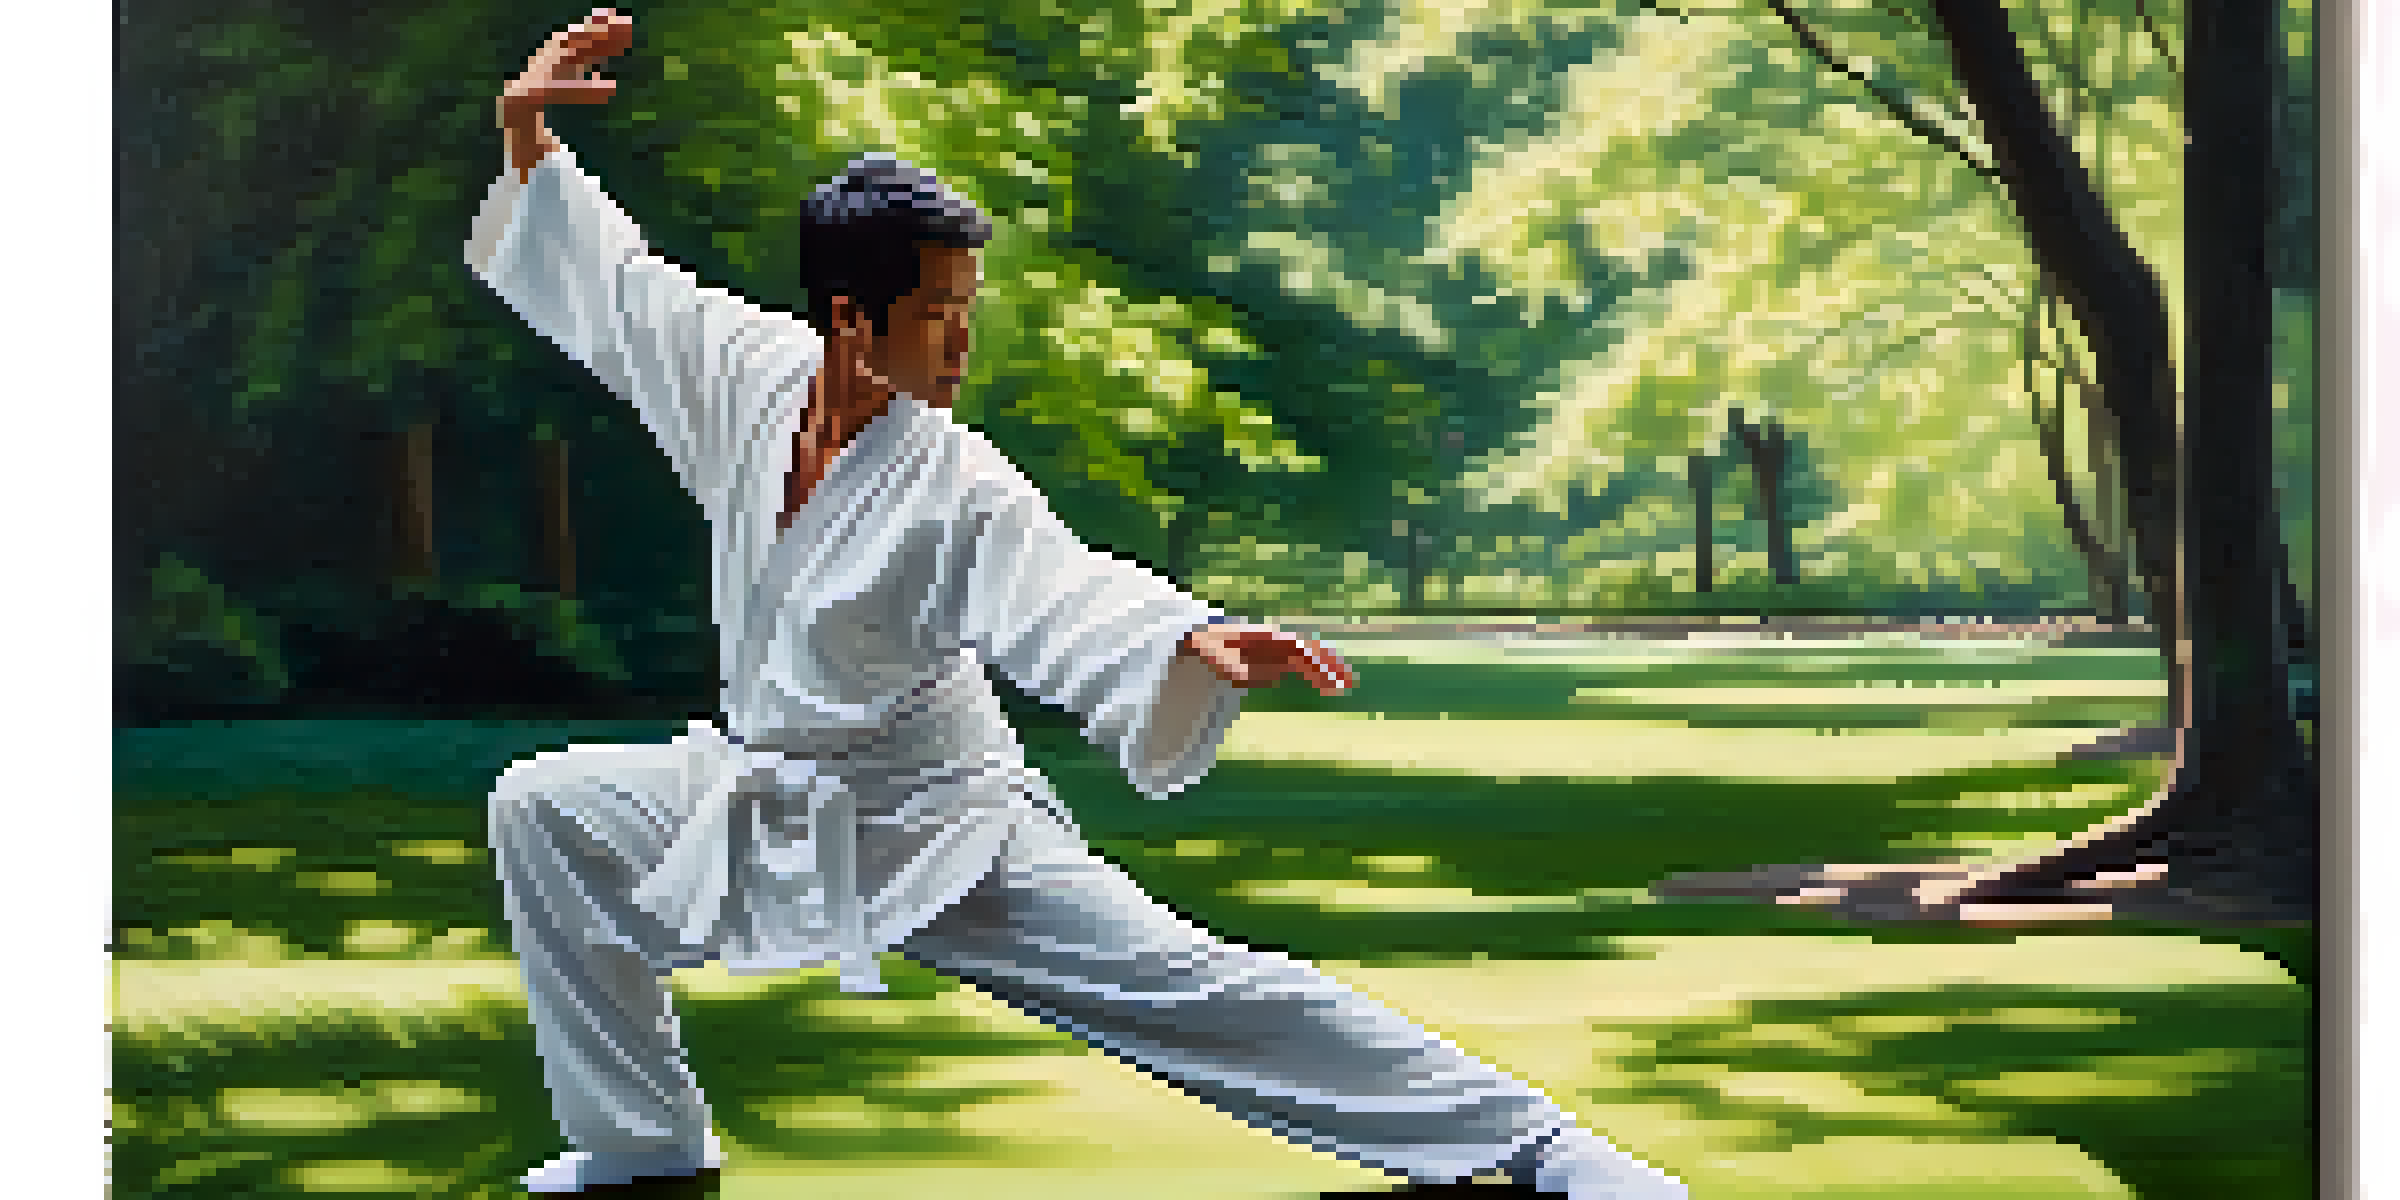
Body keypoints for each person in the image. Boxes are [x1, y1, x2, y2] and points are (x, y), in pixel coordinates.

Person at [470, 11, 1688, 1197]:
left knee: (1199, 991)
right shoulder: (740, 371)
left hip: (946, 826)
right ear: (849, 316)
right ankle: (641, 1148)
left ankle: (1539, 1146)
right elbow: (618, 289)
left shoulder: (954, 479)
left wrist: (1184, 638)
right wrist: (530, 143)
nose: (960, 347)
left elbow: (1064, 588)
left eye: (968, 313)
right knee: (546, 808)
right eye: (938, 315)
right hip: (770, 792)